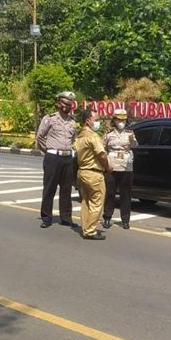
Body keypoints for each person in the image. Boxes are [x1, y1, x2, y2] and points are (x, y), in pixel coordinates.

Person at [36, 91, 78, 228]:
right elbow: (40, 137)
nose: (67, 106)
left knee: (66, 190)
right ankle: (46, 218)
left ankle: (66, 218)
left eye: (69, 104)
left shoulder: (73, 122)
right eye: (64, 103)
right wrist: (49, 151)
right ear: (58, 103)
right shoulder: (50, 119)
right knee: (49, 189)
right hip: (53, 158)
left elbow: (73, 139)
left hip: (68, 158)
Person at [75, 108, 112, 240]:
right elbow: (101, 154)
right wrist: (108, 167)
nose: (98, 123)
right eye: (96, 120)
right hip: (94, 173)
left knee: (86, 202)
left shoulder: (80, 136)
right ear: (88, 121)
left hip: (82, 172)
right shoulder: (92, 136)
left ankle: (86, 228)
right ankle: (90, 231)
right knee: (97, 202)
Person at [102, 109, 138, 230]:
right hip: (112, 165)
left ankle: (125, 220)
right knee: (110, 193)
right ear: (114, 120)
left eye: (123, 119)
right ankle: (107, 217)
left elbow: (135, 145)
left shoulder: (130, 133)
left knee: (126, 195)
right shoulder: (109, 133)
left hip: (126, 166)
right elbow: (102, 147)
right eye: (119, 119)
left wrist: (132, 139)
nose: (121, 122)